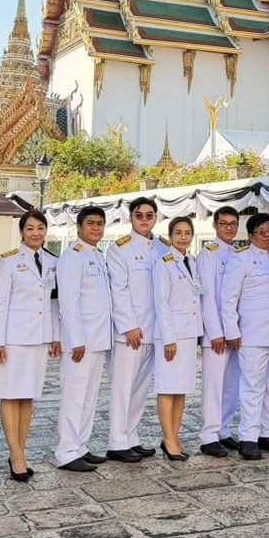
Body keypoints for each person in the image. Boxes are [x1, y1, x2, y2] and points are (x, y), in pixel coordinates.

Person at [0, 208, 69, 481]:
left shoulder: (53, 261)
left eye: (40, 228)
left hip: (39, 337)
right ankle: (15, 453)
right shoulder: (9, 262)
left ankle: (20, 450)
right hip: (13, 338)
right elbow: (0, 305)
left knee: (28, 397)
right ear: (22, 232)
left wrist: (56, 335)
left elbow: (54, 303)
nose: (36, 233)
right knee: (10, 395)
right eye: (30, 229)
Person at [221, 213, 269, 460]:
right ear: (251, 236)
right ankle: (248, 438)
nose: (268, 235)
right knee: (252, 387)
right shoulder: (241, 259)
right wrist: (232, 331)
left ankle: (265, 432)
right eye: (262, 232)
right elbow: (228, 298)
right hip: (252, 334)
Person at [54, 205, 113, 472]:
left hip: (98, 338)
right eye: (91, 223)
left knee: (89, 397)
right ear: (79, 227)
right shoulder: (72, 257)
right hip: (81, 341)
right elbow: (68, 301)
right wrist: (76, 339)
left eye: (100, 224)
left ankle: (80, 445)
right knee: (74, 396)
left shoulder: (97, 256)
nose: (96, 228)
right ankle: (66, 450)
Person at [106, 197, 161, 462]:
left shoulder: (161, 247)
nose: (144, 220)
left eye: (149, 215)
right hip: (131, 332)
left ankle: (131, 436)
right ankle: (117, 442)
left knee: (141, 388)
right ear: (131, 218)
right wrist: (129, 325)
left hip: (154, 329)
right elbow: (119, 289)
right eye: (139, 215)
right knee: (123, 387)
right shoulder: (120, 249)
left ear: (156, 218)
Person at [152, 216, 203, 461]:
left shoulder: (191, 260)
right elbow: (161, 303)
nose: (183, 237)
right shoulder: (164, 262)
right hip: (171, 335)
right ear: (170, 236)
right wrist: (168, 338)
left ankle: (176, 435)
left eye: (187, 232)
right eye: (178, 232)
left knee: (182, 388)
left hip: (189, 333)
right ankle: (168, 438)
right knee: (167, 387)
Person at [196, 206, 243, 456]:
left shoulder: (239, 252)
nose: (229, 228)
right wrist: (215, 332)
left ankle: (224, 430)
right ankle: (209, 435)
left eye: (233, 223)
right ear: (215, 226)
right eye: (224, 223)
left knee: (231, 384)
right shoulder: (209, 254)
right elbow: (208, 297)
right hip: (217, 333)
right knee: (213, 385)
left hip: (236, 331)